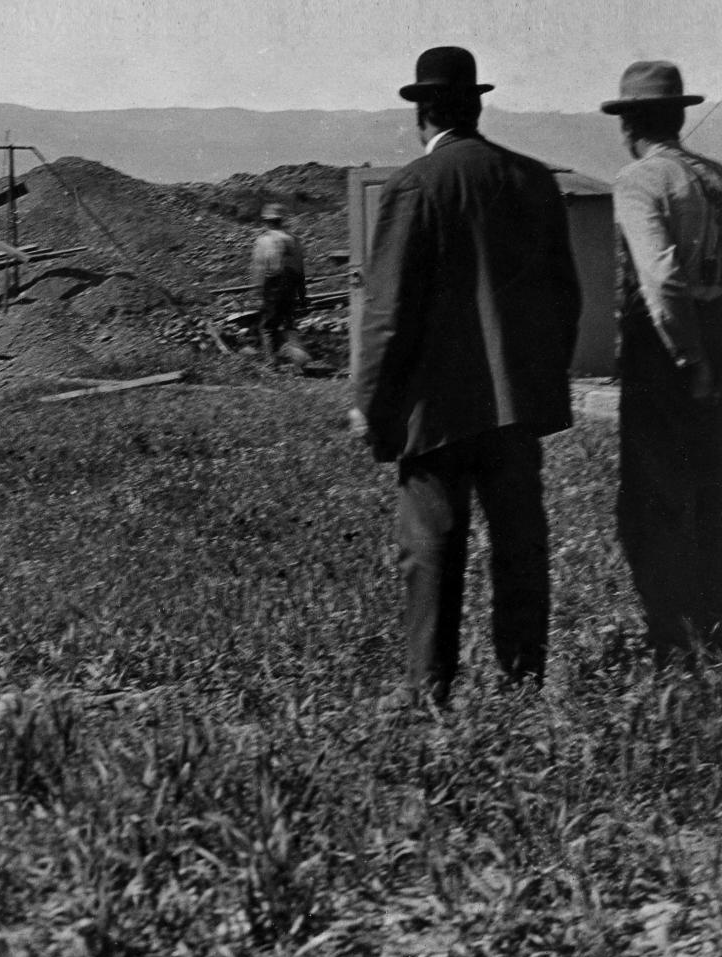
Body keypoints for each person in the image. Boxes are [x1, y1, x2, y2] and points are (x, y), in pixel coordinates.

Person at [353, 46, 581, 710]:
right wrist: (538, 376)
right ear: (476, 106)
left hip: (435, 407)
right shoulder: (533, 180)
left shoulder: (415, 186)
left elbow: (389, 311)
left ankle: (428, 690)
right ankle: (522, 682)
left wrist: (372, 400)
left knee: (430, 547)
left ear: (423, 113)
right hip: (515, 404)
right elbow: (565, 299)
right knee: (519, 544)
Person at [601, 60, 722, 658]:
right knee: (709, 488)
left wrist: (689, 357)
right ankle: (711, 618)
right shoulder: (715, 177)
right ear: (677, 116)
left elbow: (662, 279)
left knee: (651, 499)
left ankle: (673, 634)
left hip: (666, 358)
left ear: (630, 124)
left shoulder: (640, 181)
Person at [249, 203, 309, 368]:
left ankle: (272, 362)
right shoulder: (294, 240)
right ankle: (298, 358)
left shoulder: (264, 240)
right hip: (291, 286)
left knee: (267, 326)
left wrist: (257, 290)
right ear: (281, 220)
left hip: (273, 286)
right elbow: (300, 269)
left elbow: (260, 267)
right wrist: (302, 294)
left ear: (267, 221)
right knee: (289, 323)